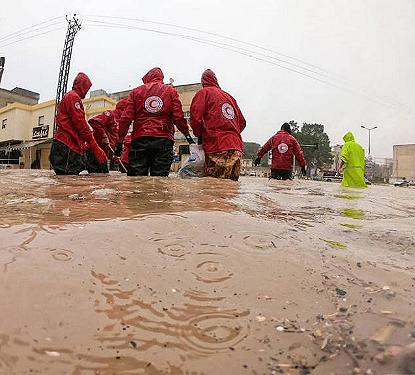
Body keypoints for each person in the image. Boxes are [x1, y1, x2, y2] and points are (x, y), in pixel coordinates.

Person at [114, 67, 193, 176]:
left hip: (140, 139)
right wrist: (187, 135)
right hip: (163, 140)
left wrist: (120, 141)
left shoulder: (135, 92)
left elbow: (125, 119)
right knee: (160, 179)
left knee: (136, 180)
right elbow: (178, 117)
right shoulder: (171, 91)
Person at [190, 69, 246, 181]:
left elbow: (195, 118)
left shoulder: (204, 93)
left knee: (213, 190)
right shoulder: (229, 97)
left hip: (217, 146)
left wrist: (200, 135)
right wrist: (231, 133)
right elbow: (243, 122)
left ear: (203, 82)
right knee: (230, 190)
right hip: (236, 149)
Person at [50, 72, 107, 175]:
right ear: (82, 86)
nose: (86, 92)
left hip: (66, 146)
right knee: (68, 183)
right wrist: (95, 147)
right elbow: (80, 123)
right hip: (67, 147)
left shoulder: (70, 97)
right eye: (86, 88)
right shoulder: (73, 97)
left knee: (66, 182)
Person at [85, 99, 128, 173]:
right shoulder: (110, 114)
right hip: (95, 152)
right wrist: (104, 136)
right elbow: (93, 121)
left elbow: (115, 139)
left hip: (106, 153)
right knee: (95, 178)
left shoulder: (122, 122)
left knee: (104, 178)